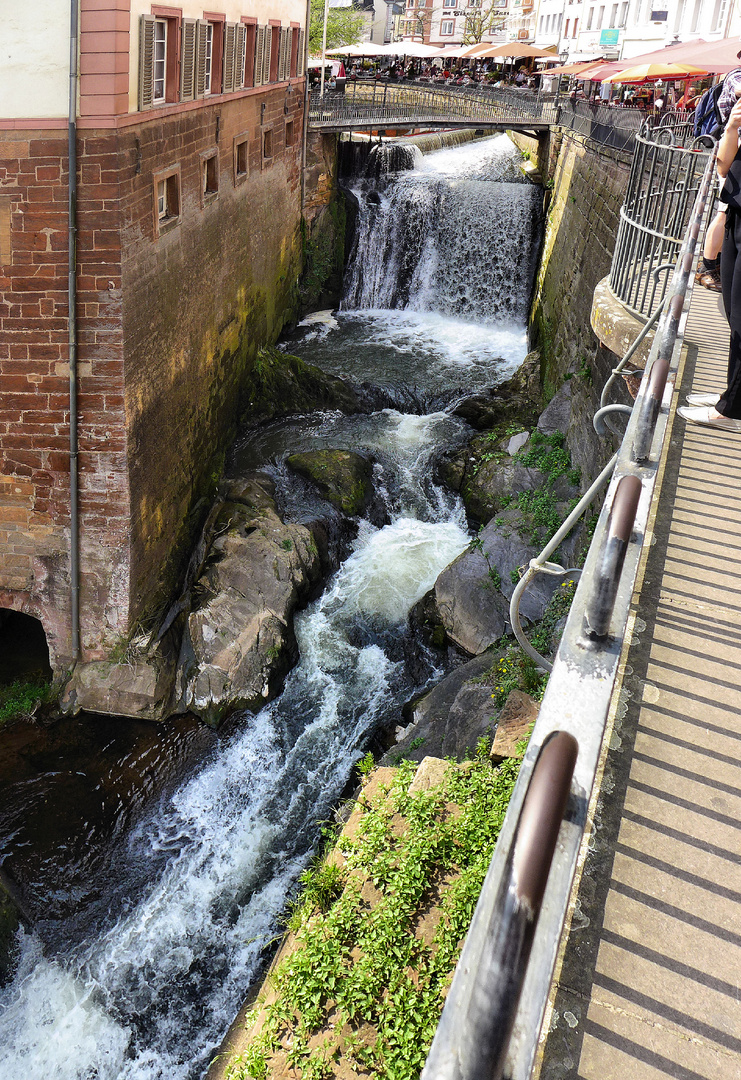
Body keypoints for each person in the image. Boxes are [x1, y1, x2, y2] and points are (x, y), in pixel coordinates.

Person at [678, 94, 741, 431]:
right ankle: (732, 396)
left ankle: (730, 411)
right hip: (736, 214)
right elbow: (723, 166)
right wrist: (732, 125)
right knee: (733, 313)